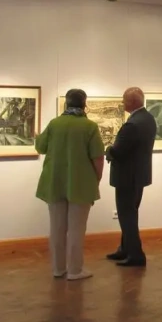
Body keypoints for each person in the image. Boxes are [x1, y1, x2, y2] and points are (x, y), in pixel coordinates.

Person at [35, 89, 105, 281]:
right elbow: (98, 157)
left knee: (56, 228)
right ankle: (75, 270)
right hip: (81, 184)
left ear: (66, 103)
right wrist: (96, 179)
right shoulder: (89, 126)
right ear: (84, 103)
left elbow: (40, 147)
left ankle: (58, 268)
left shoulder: (54, 124)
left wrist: (36, 136)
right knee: (76, 229)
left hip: (54, 182)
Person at [105, 87, 157, 267]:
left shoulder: (133, 124)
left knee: (127, 216)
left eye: (124, 100)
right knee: (130, 214)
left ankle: (135, 254)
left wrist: (108, 150)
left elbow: (118, 151)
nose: (122, 103)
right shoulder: (148, 118)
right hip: (138, 176)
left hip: (127, 177)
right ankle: (125, 249)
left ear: (132, 102)